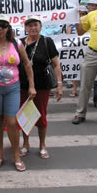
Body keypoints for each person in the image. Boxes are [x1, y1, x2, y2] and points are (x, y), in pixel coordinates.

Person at [0, 14, 36, 172]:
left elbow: (26, 64)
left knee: (11, 122)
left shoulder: (16, 43)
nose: (0, 29)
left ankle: (16, 155)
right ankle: (0, 154)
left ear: (8, 27)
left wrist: (32, 86)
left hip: (12, 87)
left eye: (3, 25)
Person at [19, 15, 63, 159]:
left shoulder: (46, 41)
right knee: (25, 116)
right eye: (30, 25)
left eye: (35, 25)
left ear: (40, 26)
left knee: (41, 116)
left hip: (42, 86)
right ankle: (25, 143)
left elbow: (56, 64)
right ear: (26, 28)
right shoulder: (20, 43)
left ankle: (42, 144)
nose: (32, 28)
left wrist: (59, 84)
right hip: (23, 85)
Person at [85, 0, 97, 109]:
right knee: (86, 79)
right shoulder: (83, 18)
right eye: (91, 5)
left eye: (95, 5)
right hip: (85, 52)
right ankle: (84, 101)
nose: (93, 7)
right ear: (88, 7)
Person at [67, 6, 88, 97]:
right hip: (75, 49)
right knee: (76, 70)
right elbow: (68, 35)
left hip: (86, 49)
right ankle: (74, 90)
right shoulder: (72, 24)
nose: (81, 16)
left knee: (86, 72)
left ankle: (84, 91)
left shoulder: (88, 23)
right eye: (79, 14)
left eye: (83, 14)